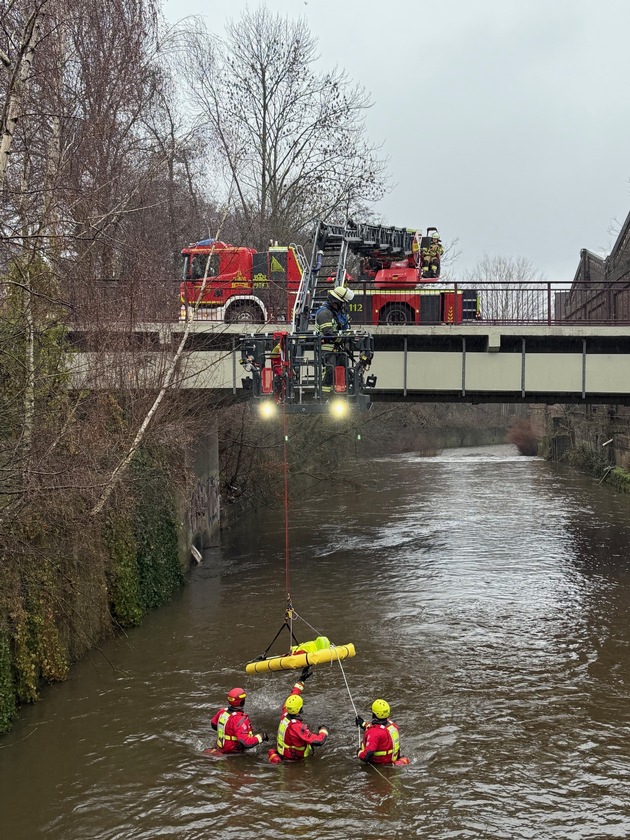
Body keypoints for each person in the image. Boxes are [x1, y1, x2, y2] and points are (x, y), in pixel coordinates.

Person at [268, 669, 329, 763]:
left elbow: (293, 694)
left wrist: (301, 680)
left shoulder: (285, 713)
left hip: (283, 754)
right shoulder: (297, 727)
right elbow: (319, 741)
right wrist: (323, 730)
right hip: (294, 761)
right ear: (300, 709)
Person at [314, 285, 354, 397]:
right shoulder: (324, 313)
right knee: (329, 372)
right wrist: (344, 338)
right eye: (342, 303)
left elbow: (343, 329)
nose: (343, 306)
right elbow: (328, 333)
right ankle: (325, 397)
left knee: (343, 371)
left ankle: (340, 395)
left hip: (338, 349)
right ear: (336, 301)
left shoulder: (337, 314)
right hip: (327, 349)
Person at [205, 687, 268, 755]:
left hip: (220, 747)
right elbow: (246, 743)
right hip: (232, 752)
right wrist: (262, 736)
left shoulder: (222, 712)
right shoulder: (240, 719)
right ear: (242, 701)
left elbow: (214, 725)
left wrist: (228, 731)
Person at [354, 698, 409, 766]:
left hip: (379, 765)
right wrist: (363, 724)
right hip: (392, 761)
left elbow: (366, 757)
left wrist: (359, 752)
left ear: (374, 714)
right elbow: (380, 729)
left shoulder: (374, 733)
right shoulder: (393, 726)